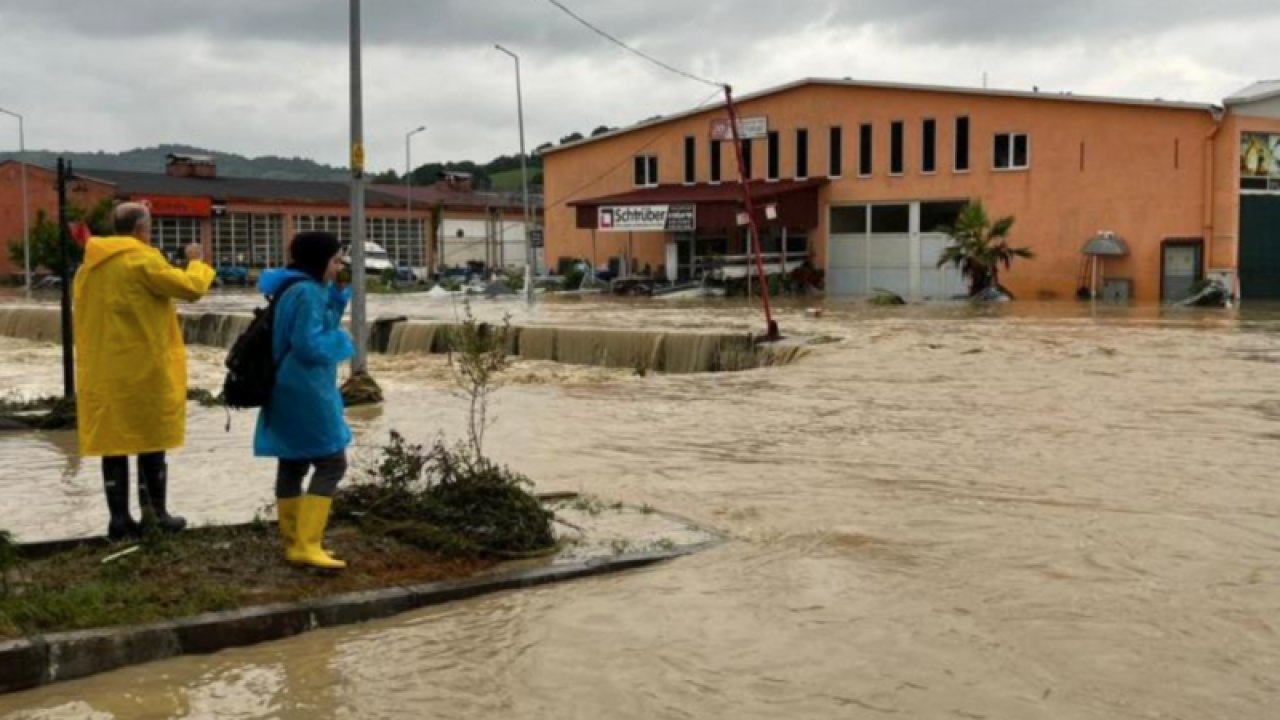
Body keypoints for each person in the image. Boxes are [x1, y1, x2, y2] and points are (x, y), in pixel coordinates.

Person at [73, 202, 215, 539]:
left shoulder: (89, 266)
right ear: (141, 229)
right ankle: (156, 515)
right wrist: (196, 261)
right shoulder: (142, 258)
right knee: (152, 440)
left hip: (102, 369)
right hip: (142, 366)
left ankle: (119, 521)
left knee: (113, 444)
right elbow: (190, 289)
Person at [254, 231, 354, 570]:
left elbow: (307, 329)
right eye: (335, 259)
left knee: (292, 461)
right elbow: (310, 345)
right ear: (320, 260)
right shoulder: (308, 292)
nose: (339, 265)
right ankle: (308, 543)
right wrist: (343, 341)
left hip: (283, 386)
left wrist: (338, 299)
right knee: (332, 462)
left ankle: (293, 540)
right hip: (306, 389)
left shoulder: (291, 287)